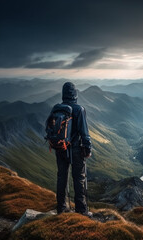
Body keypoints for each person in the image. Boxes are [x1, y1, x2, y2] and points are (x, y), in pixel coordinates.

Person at [56, 82, 92, 216]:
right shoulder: (79, 109)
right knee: (79, 178)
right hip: (76, 149)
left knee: (62, 177)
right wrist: (87, 149)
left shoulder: (57, 109)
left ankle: (61, 208)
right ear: (75, 94)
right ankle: (81, 211)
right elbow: (85, 133)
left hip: (60, 148)